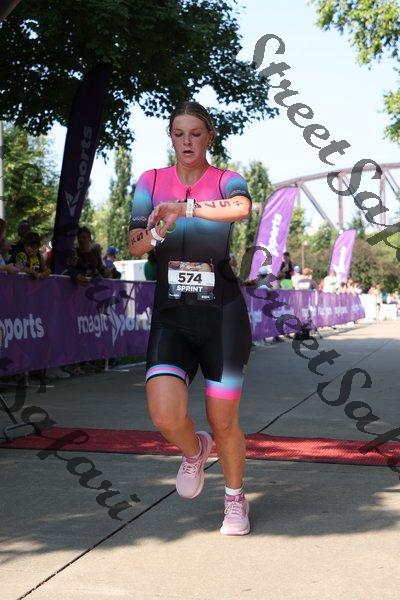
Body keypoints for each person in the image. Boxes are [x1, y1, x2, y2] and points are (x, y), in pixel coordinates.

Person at [128, 101, 252, 536]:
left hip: (223, 318)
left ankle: (234, 500)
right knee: (164, 415)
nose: (187, 141)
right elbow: (136, 244)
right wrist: (158, 229)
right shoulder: (150, 181)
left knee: (224, 420)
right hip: (173, 316)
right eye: (179, 133)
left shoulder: (227, 178)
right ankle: (195, 449)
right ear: (170, 137)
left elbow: (241, 208)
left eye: (195, 133)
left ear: (209, 137)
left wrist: (187, 209)